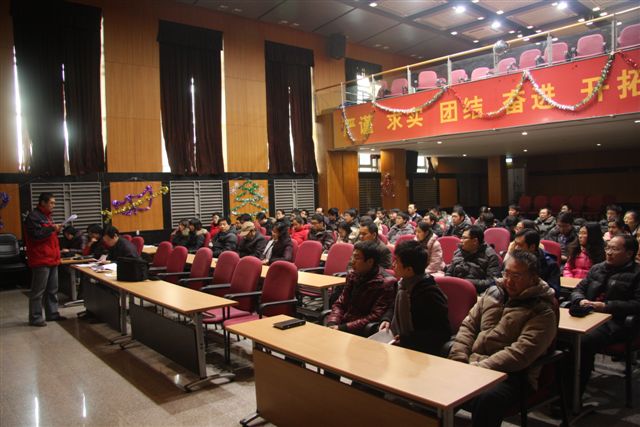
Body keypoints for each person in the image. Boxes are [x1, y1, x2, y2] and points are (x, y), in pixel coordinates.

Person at [449, 250, 558, 427]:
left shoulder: (542, 310)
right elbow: (469, 326)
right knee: (440, 373)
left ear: (533, 278)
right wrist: (459, 359)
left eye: (516, 276)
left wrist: (479, 368)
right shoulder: (493, 293)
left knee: (487, 398)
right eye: (506, 273)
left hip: (513, 374)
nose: (508, 280)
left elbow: (521, 353)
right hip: (474, 362)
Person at [570, 234, 640, 399]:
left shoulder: (637, 274)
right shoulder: (598, 268)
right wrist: (580, 300)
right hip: (589, 315)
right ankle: (559, 388)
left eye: (614, 249)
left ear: (629, 253)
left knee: (583, 341)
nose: (608, 252)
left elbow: (637, 304)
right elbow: (579, 289)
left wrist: (607, 307)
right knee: (560, 336)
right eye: (607, 248)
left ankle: (573, 396)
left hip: (617, 322)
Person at [378, 240, 450, 355]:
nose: (393, 265)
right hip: (397, 341)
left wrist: (407, 340)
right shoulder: (403, 284)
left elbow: (441, 333)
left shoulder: (429, 294)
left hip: (418, 351)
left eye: (397, 261)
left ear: (409, 269)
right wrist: (387, 319)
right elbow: (393, 306)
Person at [325, 240, 396, 336]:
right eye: (352, 256)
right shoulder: (352, 275)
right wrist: (332, 322)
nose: (352, 261)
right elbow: (341, 303)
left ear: (370, 262)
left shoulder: (386, 283)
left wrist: (343, 328)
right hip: (343, 325)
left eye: (357, 258)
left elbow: (375, 316)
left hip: (361, 331)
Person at [24, 192, 65, 326]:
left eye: (54, 203)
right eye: (51, 202)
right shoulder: (33, 217)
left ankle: (52, 314)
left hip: (52, 257)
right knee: (38, 291)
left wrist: (55, 230)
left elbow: (48, 234)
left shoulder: (47, 217)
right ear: (43, 202)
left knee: (52, 289)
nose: (54, 205)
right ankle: (35, 317)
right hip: (41, 258)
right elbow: (35, 235)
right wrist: (51, 229)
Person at [446, 225, 501, 294]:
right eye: (461, 237)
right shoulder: (459, 251)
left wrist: (466, 283)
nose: (461, 241)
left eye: (464, 238)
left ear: (475, 241)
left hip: (477, 293)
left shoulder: (490, 256)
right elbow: (449, 272)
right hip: (455, 288)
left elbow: (493, 281)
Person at [510, 229, 561, 296]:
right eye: (515, 244)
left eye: (520, 245)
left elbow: (554, 292)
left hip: (537, 299)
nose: (516, 248)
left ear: (532, 247)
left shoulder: (550, 264)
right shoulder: (514, 258)